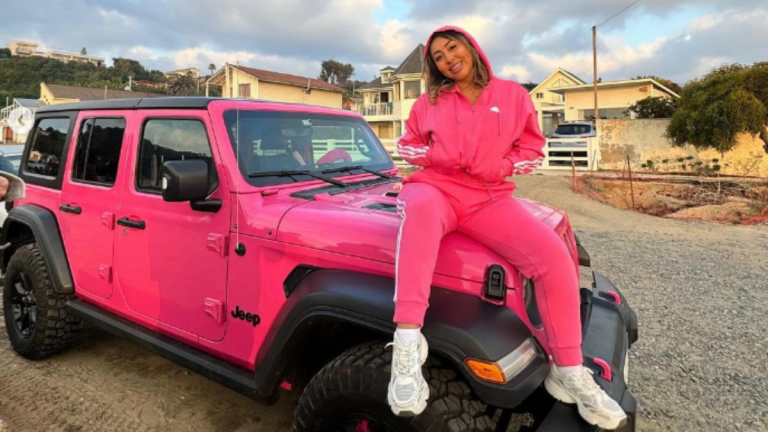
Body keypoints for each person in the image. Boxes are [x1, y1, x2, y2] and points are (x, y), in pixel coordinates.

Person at [388, 26, 627, 430]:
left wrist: (500, 166)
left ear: (471, 47)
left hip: (488, 197)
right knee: (420, 215)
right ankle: (407, 347)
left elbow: (532, 151)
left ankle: (568, 370)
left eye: (452, 48)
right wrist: (436, 156)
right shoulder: (430, 101)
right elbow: (406, 145)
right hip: (436, 188)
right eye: (439, 57)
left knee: (553, 257)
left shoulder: (513, 95)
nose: (448, 59)